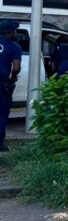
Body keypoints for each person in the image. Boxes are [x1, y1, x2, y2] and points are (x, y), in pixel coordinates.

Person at [0, 20, 23, 151]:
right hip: (2, 84)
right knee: (2, 113)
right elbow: (16, 68)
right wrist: (12, 78)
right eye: (14, 30)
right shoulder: (14, 46)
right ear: (10, 32)